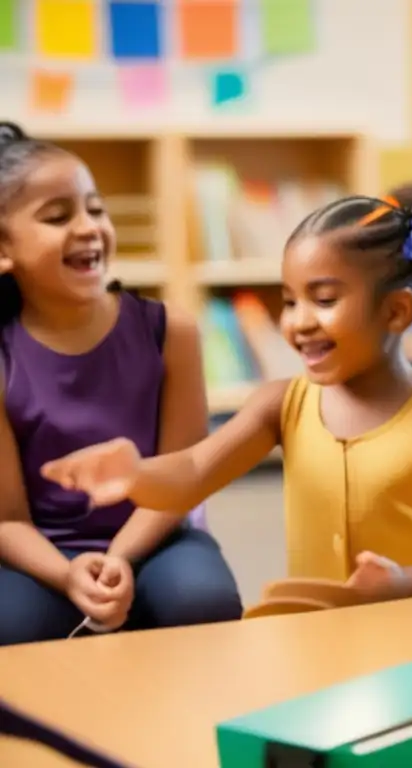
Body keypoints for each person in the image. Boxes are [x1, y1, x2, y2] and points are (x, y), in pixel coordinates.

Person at [41, 181, 412, 610]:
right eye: (289, 301)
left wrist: (405, 584)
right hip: (317, 638)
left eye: (324, 300)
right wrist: (135, 473)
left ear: (396, 310)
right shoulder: (281, 404)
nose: (298, 322)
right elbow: (194, 470)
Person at [0, 122, 242, 645]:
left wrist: (117, 560)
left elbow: (185, 481)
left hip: (157, 534)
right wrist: (68, 573)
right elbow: (6, 522)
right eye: (58, 216)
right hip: (44, 552)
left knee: (203, 600)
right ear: (4, 249)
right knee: (9, 626)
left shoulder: (169, 330)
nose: (89, 227)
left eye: (95, 208)